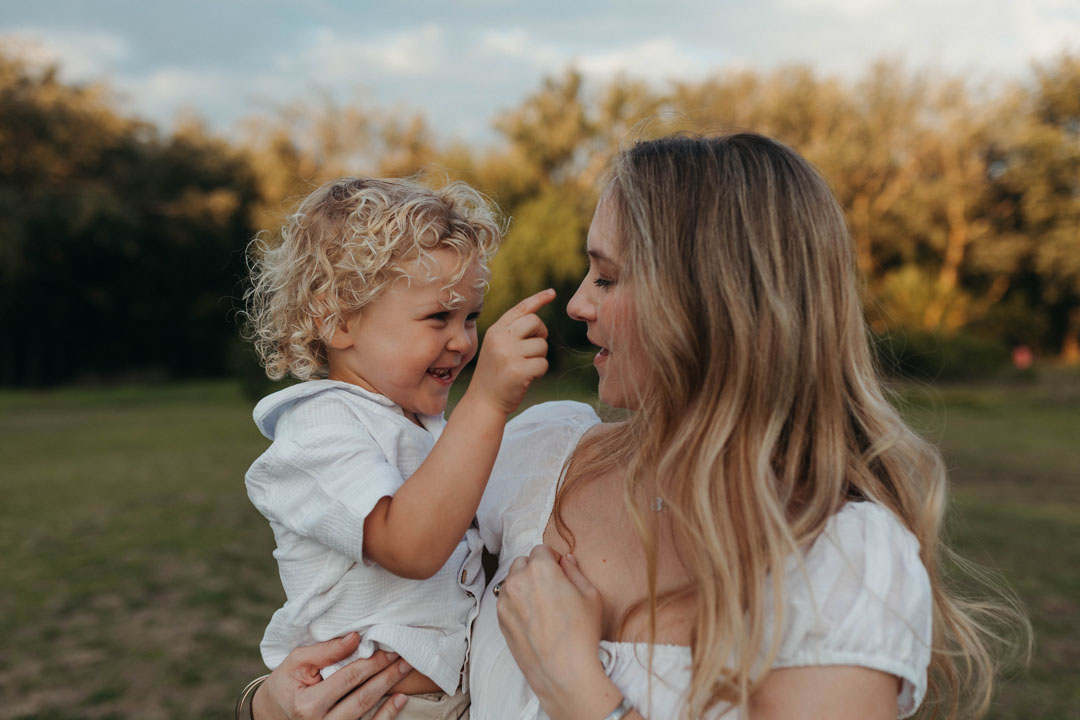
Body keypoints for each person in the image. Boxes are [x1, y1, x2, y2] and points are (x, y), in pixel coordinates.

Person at [249, 134, 1026, 720]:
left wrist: (582, 691)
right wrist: (269, 704)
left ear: (717, 303)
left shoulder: (839, 555)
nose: (578, 305)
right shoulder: (534, 459)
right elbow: (369, 591)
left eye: (609, 277)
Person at [242, 177, 554, 719]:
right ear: (338, 321)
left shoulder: (419, 425)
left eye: (471, 317)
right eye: (439, 316)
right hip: (373, 704)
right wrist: (484, 403)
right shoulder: (318, 428)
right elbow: (409, 546)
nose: (462, 341)